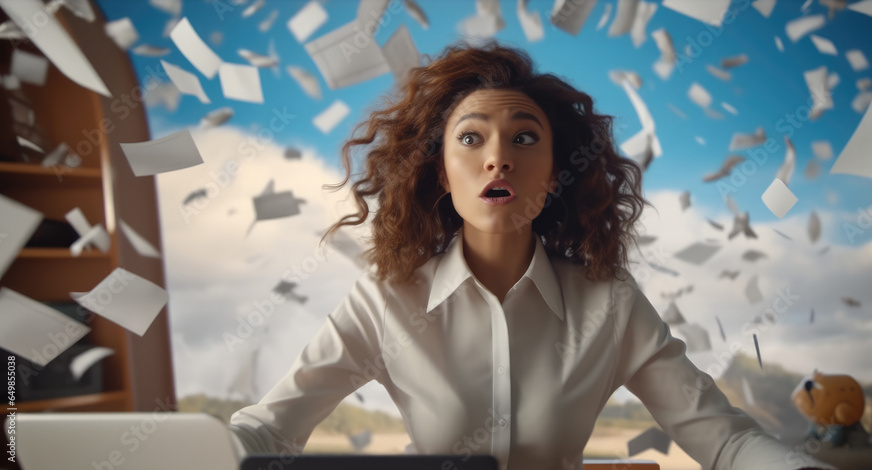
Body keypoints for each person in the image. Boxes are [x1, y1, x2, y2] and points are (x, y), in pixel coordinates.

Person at [228, 40, 835, 470]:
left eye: (525, 138)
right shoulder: (387, 300)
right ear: (441, 173)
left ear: (553, 175)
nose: (498, 158)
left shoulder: (611, 303)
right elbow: (270, 426)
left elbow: (724, 442)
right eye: (471, 138)